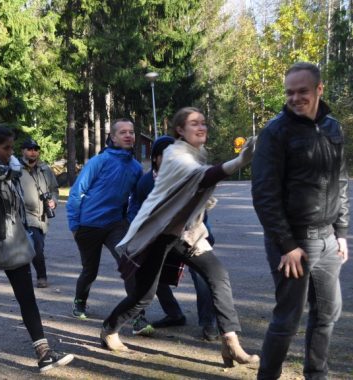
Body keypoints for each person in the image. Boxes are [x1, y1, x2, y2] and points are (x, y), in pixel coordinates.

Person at [102, 107, 258, 369]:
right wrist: (238, 162)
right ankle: (109, 329)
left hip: (187, 235)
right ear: (180, 131)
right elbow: (202, 176)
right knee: (143, 296)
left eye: (203, 123)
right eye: (194, 124)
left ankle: (230, 342)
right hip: (158, 237)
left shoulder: (197, 155)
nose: (201, 128)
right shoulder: (175, 154)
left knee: (218, 275)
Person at [251, 62, 350, 380]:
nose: (295, 98)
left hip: (328, 239)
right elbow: (265, 195)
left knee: (328, 313)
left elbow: (340, 181)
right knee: (288, 318)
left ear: (319, 89)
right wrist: (287, 245)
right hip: (295, 241)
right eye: (289, 92)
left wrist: (342, 231)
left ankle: (316, 373)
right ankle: (267, 376)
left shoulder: (334, 127)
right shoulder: (275, 132)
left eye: (302, 91)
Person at [0, 121, 74, 372]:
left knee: (27, 298)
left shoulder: (9, 170)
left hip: (14, 242)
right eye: (6, 148)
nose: (11, 152)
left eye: (12, 147)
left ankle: (44, 354)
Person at [66, 118, 153, 336]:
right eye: (122, 132)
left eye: (131, 132)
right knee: (90, 269)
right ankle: (79, 302)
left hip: (116, 224)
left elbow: (136, 197)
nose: (128, 136)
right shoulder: (99, 161)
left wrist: (131, 220)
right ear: (112, 137)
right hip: (88, 225)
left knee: (129, 265)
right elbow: (77, 192)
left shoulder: (135, 167)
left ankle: (137, 317)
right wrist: (74, 224)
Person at [132, 136, 219, 341]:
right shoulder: (145, 183)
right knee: (151, 275)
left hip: (191, 235)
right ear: (155, 159)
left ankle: (209, 323)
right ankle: (174, 314)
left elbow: (201, 210)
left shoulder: (189, 175)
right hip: (161, 238)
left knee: (204, 278)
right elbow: (136, 208)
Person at [19, 137, 59, 288]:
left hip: (43, 215)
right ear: (23, 151)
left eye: (35, 149)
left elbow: (54, 189)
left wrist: (53, 201)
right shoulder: (16, 169)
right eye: (29, 149)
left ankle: (26, 272)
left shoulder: (45, 169)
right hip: (25, 214)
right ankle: (41, 277)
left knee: (38, 246)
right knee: (36, 245)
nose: (33, 152)